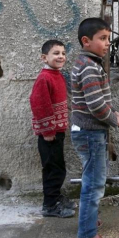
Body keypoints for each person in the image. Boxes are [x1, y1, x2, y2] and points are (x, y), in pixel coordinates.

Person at [70, 18, 119, 238]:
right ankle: (87, 237)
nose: (107, 44)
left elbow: (99, 101)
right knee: (94, 186)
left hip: (88, 132)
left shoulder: (88, 63)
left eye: (108, 38)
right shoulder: (89, 67)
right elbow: (96, 106)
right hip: (90, 133)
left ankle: (88, 218)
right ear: (86, 41)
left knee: (91, 182)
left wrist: (115, 112)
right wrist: (115, 119)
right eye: (102, 39)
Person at [30, 39, 77, 217]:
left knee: (58, 167)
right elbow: (39, 105)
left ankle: (55, 197)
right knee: (52, 169)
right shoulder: (44, 78)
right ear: (44, 57)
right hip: (49, 134)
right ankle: (50, 205)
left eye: (63, 53)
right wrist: (48, 131)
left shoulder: (57, 75)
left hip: (57, 131)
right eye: (56, 53)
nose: (61, 56)